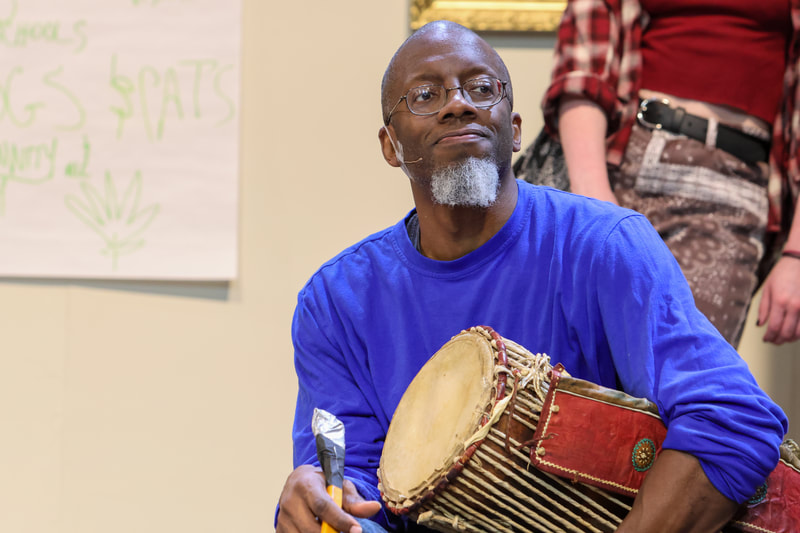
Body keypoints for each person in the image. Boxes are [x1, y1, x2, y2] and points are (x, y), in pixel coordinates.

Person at [276, 20, 787, 533]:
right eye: (426, 94)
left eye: (481, 88)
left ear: (515, 129)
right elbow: (354, 482)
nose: (459, 104)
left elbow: (731, 419)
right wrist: (320, 501)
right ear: (390, 147)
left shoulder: (604, 245)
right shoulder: (336, 302)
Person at [514, 0, 800, 348]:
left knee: (685, 375)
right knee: (571, 369)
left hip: (730, 184)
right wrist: (595, 199)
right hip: (621, 161)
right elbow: (582, 68)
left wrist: (796, 254)